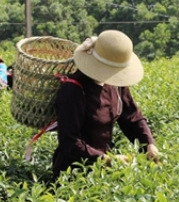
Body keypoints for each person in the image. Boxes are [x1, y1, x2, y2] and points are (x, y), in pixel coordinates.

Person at [53, 30, 160, 181]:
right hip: (74, 173)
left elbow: (132, 117)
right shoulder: (73, 89)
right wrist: (105, 159)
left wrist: (149, 144)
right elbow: (69, 141)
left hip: (105, 168)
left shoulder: (115, 84)